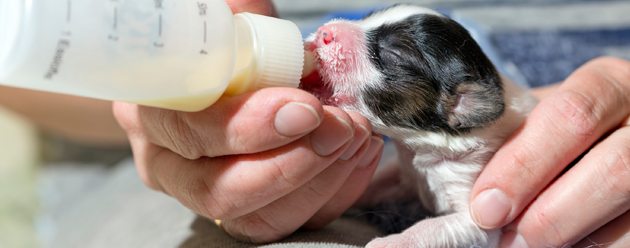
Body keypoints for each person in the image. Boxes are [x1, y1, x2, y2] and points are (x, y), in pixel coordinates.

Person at [3, 0, 630, 247]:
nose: (332, 35)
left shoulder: (474, 135)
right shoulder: (419, 128)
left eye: (385, 51)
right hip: (154, 166)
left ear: (461, 110)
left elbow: (480, 222)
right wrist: (157, 82)